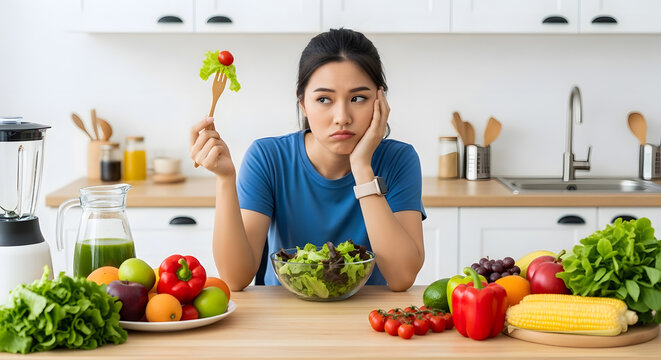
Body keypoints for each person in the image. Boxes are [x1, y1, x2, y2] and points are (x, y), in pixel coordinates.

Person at [190, 28, 426, 292]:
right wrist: (225, 179)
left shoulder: (399, 160)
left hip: (369, 319)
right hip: (282, 318)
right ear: (302, 103)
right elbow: (235, 278)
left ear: (380, 101)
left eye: (358, 98)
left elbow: (402, 276)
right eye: (324, 99)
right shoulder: (268, 158)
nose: (342, 117)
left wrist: (361, 166)